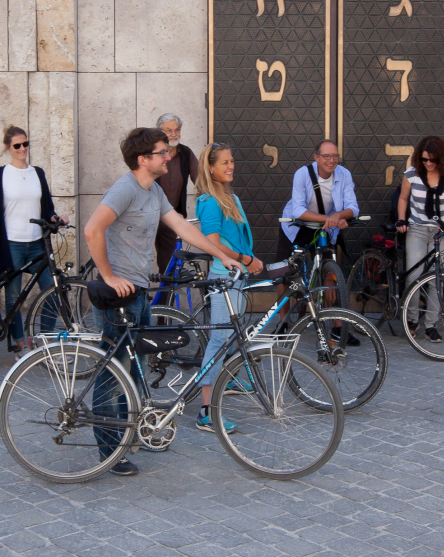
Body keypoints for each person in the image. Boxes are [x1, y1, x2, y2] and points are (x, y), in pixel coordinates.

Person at [84, 127, 240, 476]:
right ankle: (110, 453)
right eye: (162, 152)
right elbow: (92, 230)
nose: (169, 156)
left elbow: (183, 228)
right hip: (117, 297)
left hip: (138, 294)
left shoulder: (152, 191)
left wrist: (222, 256)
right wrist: (109, 275)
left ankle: (126, 438)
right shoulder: (124, 189)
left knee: (134, 373)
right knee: (114, 375)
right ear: (144, 159)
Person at [194, 143, 264, 433]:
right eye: (224, 162)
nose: (230, 166)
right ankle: (206, 412)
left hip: (236, 276)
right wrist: (245, 258)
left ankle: (231, 379)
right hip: (224, 276)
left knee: (231, 333)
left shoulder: (229, 197)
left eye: (232, 161)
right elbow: (213, 244)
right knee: (220, 339)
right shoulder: (210, 200)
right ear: (211, 168)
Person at [0, 126, 69, 360]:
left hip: (37, 243)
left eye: (25, 144)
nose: (22, 149)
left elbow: (47, 207)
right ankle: (19, 344)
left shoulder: (37, 173)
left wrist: (56, 218)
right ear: (7, 148)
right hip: (12, 243)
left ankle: (45, 342)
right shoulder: (0, 174)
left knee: (52, 291)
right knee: (13, 298)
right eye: (17, 145)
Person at [277, 139, 359, 341]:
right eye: (326, 156)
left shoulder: (344, 174)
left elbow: (353, 207)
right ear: (316, 158)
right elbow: (298, 210)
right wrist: (331, 219)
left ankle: (338, 328)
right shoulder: (303, 174)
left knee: (331, 273)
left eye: (335, 156)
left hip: (326, 228)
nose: (331, 161)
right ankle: (283, 322)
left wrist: (339, 215)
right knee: (283, 273)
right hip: (297, 225)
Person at [396, 136, 444, 343]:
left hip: (440, 231)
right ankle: (412, 320)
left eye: (432, 160)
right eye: (424, 160)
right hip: (417, 229)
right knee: (414, 276)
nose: (428, 164)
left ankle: (431, 325)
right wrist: (401, 219)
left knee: (436, 279)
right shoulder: (412, 174)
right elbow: (403, 198)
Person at [154, 113, 199, 274]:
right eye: (168, 130)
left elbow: (201, 182)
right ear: (159, 132)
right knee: (138, 263)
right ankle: (140, 298)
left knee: (170, 267)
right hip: (148, 215)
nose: (174, 134)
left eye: (177, 130)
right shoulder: (152, 153)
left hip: (171, 219)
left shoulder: (186, 153)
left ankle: (165, 299)